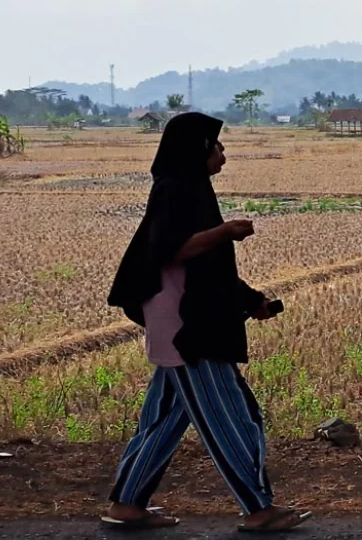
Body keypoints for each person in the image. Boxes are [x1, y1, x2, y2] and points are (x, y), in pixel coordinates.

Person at [102, 112, 311, 532]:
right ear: (197, 149)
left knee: (164, 419)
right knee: (232, 416)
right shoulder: (174, 190)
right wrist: (226, 231)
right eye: (216, 146)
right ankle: (258, 509)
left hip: (180, 320)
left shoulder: (189, 189)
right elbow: (171, 251)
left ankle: (126, 504)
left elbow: (210, 272)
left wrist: (252, 301)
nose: (222, 153)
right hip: (185, 326)